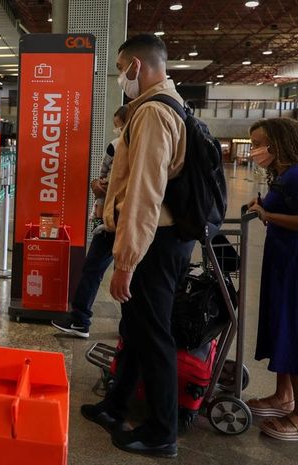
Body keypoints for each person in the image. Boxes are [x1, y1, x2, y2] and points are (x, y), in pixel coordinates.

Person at [80, 34, 193, 459]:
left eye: (120, 69)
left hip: (153, 244)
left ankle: (163, 432)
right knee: (136, 329)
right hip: (156, 239)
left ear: (136, 66)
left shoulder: (152, 113)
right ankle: (116, 405)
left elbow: (146, 194)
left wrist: (125, 262)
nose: (120, 78)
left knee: (153, 335)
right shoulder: (166, 105)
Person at [52, 105, 128, 338]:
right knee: (128, 274)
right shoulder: (141, 146)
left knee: (93, 268)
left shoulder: (116, 145)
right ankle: (128, 328)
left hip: (110, 218)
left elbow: (103, 178)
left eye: (117, 124)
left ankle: (80, 320)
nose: (116, 129)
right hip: (127, 219)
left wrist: (99, 185)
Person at [243, 118, 298, 441]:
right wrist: (263, 207)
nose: (254, 150)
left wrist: (268, 215)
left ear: (277, 142)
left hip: (293, 264)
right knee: (281, 328)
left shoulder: (296, 175)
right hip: (280, 261)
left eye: (257, 144)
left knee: (292, 329)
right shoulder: (283, 175)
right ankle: (283, 396)